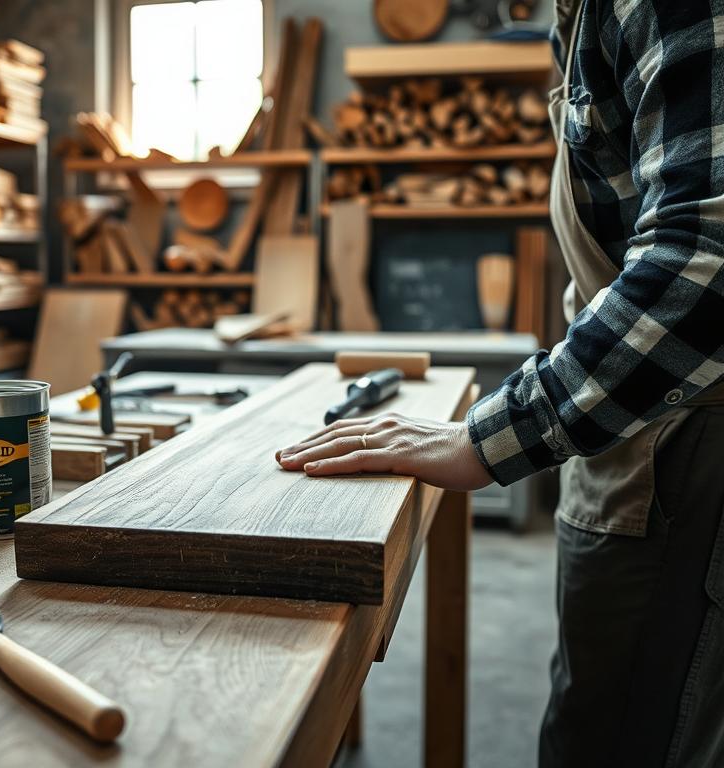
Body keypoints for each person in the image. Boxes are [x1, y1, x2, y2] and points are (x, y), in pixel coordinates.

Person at [276, 1, 724, 765]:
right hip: (633, 442)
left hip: (689, 452)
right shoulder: (578, 14)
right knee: (592, 718)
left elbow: (706, 258)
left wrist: (490, 435)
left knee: (630, 737)